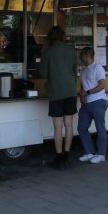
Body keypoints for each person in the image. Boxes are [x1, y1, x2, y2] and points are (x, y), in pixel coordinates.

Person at [39, 25, 79, 170]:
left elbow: (43, 74)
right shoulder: (71, 50)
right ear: (63, 37)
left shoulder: (47, 52)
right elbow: (76, 70)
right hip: (71, 92)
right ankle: (67, 155)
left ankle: (59, 157)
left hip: (56, 92)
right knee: (69, 125)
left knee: (58, 127)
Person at [77, 47, 108, 164]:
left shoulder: (98, 67)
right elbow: (82, 86)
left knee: (100, 128)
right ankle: (89, 152)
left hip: (98, 101)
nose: (80, 57)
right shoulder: (83, 70)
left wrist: (88, 93)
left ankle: (101, 154)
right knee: (82, 128)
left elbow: (102, 85)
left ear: (87, 55)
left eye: (81, 55)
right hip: (86, 103)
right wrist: (82, 96)